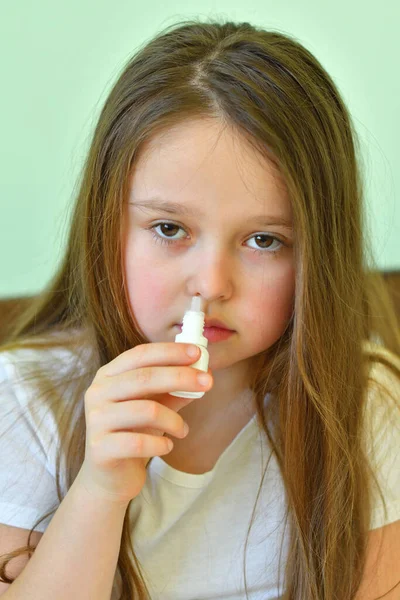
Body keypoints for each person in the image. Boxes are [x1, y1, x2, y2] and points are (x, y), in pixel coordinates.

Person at [0, 18, 399, 600]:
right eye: (169, 228)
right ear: (104, 224)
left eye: (264, 240)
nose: (211, 284)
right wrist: (100, 489)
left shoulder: (366, 411)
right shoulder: (25, 404)